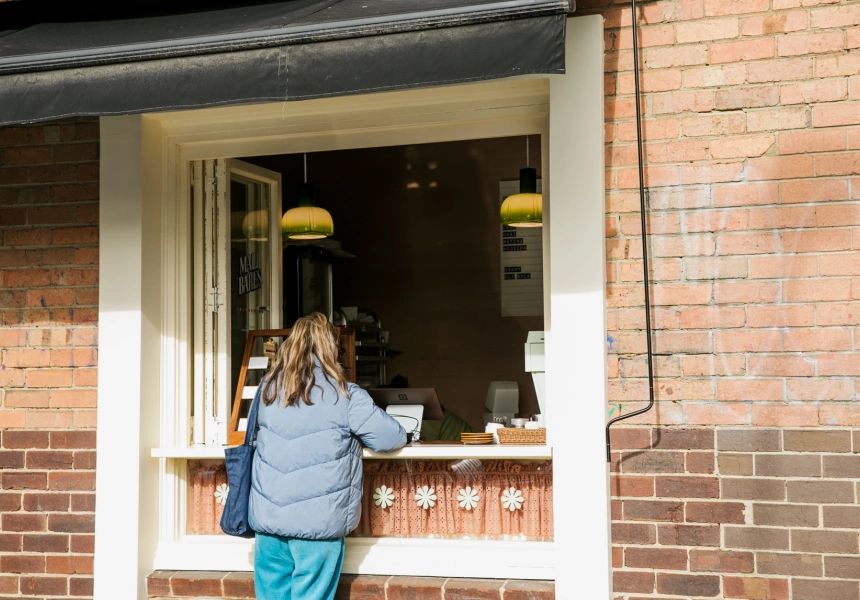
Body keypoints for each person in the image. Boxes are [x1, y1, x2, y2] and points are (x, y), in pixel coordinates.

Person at [249, 312, 407, 599]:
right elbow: (391, 437)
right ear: (330, 348)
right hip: (318, 525)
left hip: (268, 522)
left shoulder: (267, 390)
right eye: (338, 346)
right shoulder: (344, 395)